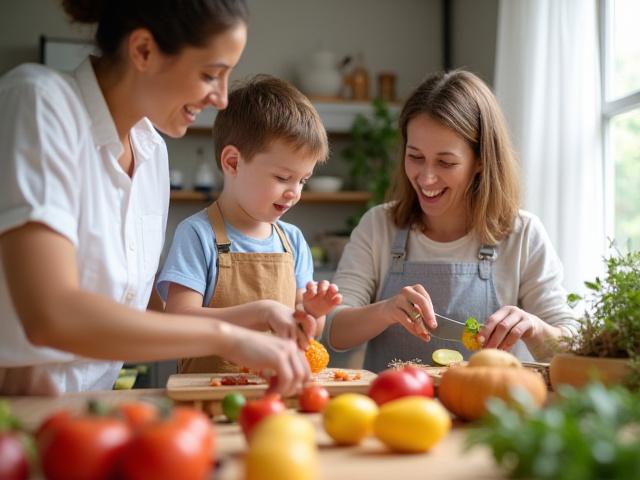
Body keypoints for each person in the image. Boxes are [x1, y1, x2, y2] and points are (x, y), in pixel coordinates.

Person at [0, 0, 313, 396]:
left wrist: (257, 314)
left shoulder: (152, 152)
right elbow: (51, 315)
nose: (220, 98)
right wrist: (226, 337)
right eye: (210, 75)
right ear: (144, 50)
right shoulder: (40, 104)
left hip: (89, 410)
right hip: (15, 412)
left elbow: (138, 306)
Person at [323, 70, 579, 372]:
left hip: (491, 415)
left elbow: (569, 350)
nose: (426, 177)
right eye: (415, 156)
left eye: (446, 162)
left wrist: (535, 327)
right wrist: (385, 311)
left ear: (481, 160)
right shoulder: (378, 226)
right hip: (395, 411)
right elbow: (333, 332)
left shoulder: (523, 234)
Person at [157, 75, 342, 373]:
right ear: (232, 163)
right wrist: (261, 312)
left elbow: (307, 332)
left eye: (303, 180)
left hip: (276, 397)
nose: (294, 192)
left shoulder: (292, 241)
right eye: (283, 178)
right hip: (205, 397)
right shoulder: (197, 234)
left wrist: (312, 313)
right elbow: (180, 320)